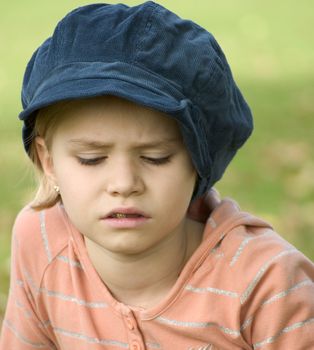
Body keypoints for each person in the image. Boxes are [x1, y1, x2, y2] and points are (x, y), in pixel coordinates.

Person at [0, 2, 313, 349]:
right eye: (91, 159)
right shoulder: (40, 240)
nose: (123, 184)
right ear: (48, 161)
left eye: (156, 157)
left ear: (199, 161)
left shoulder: (266, 283)